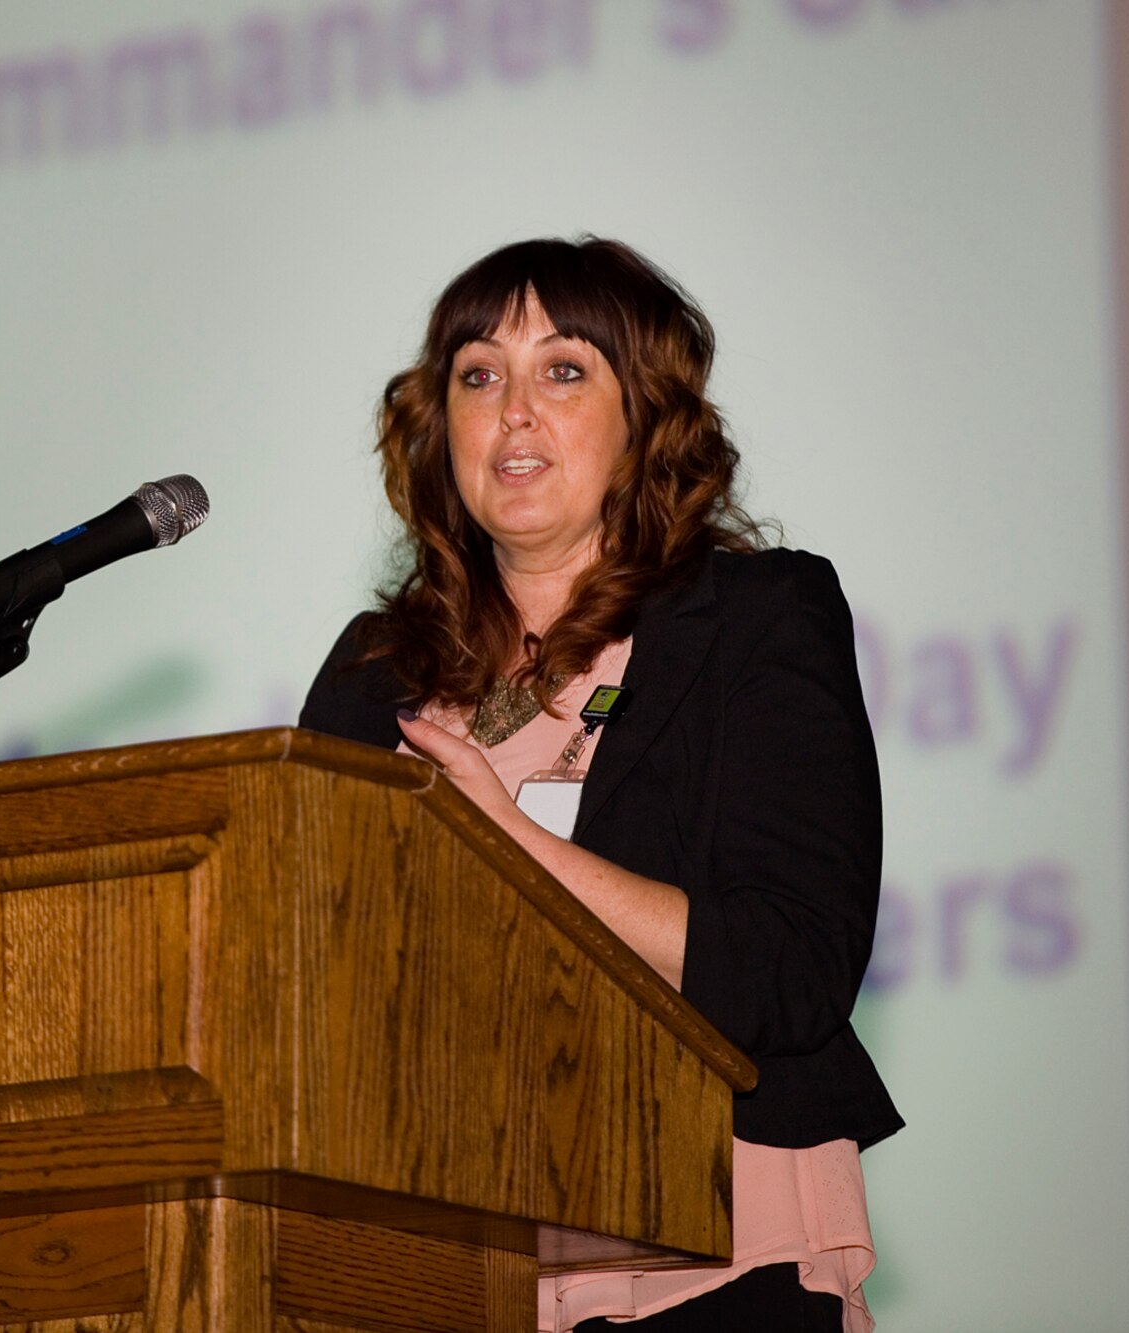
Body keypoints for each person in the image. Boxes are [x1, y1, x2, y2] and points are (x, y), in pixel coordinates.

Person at [298, 237, 903, 1332]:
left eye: (563, 370)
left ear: (646, 420)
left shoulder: (756, 620)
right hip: (439, 1269)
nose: (511, 411)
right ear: (442, 427)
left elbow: (791, 971)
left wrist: (508, 845)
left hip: (708, 1263)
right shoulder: (370, 671)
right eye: (478, 375)